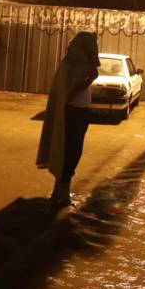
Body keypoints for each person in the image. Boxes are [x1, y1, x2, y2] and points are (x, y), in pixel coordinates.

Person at [37, 32, 100, 206]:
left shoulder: (70, 62)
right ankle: (63, 196)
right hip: (75, 112)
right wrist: (90, 79)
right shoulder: (81, 65)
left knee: (64, 150)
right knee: (71, 152)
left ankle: (58, 192)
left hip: (73, 111)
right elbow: (72, 90)